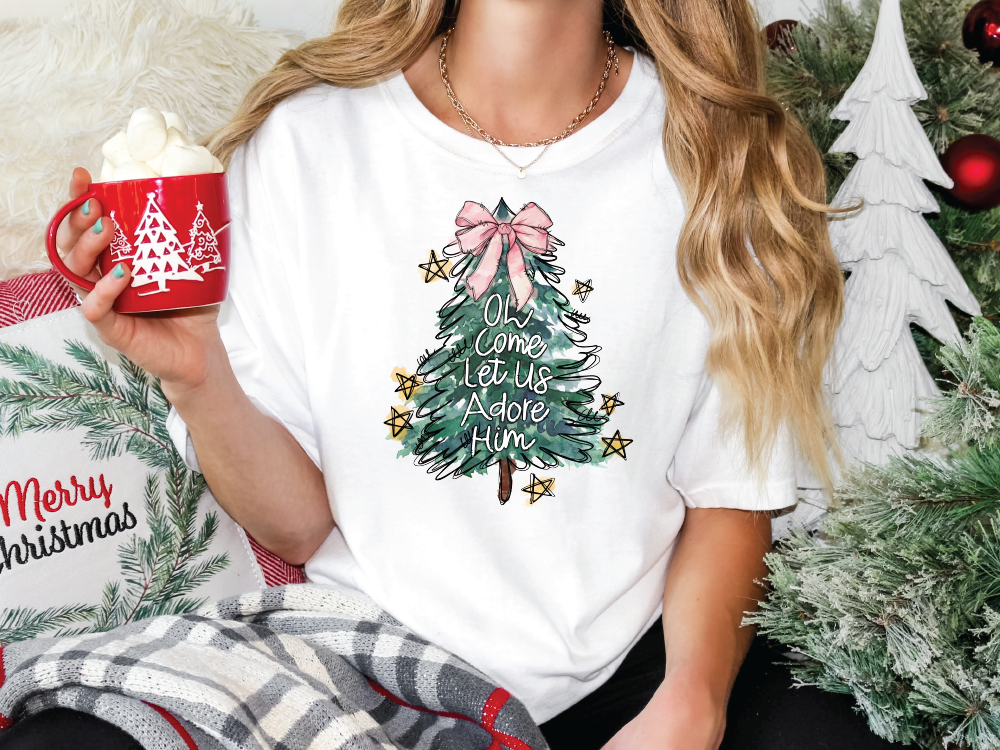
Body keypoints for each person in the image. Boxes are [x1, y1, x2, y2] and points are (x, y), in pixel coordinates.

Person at [3, 0, 871, 748]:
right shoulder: (307, 142)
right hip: (366, 669)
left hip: (637, 669)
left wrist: (692, 706)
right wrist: (198, 374)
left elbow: (732, 491)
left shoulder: (723, 163)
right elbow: (299, 530)